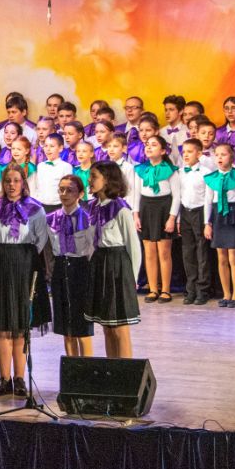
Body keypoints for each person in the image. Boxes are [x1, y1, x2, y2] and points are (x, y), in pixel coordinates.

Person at [0, 166, 51, 396]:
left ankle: (19, 378)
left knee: (20, 324)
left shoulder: (35, 209)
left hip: (24, 264)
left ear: (23, 183)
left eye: (16, 180)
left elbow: (40, 239)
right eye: (8, 180)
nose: (12, 185)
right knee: (1, 323)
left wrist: (22, 256)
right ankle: (4, 378)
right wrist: (1, 253)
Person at [85, 161, 141, 358]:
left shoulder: (120, 209)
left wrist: (132, 278)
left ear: (107, 180)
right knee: (107, 326)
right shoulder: (93, 207)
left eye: (94, 177)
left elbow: (133, 246)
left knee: (119, 327)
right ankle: (111, 368)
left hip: (117, 265)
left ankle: (125, 370)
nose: (90, 180)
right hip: (100, 262)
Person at [47, 175, 96, 357]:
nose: (64, 194)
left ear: (80, 194)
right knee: (65, 326)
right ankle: (71, 364)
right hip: (60, 269)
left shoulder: (88, 218)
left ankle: (86, 366)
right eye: (61, 189)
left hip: (80, 269)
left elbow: (92, 249)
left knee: (82, 326)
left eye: (70, 190)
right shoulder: (51, 219)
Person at [132, 137, 180, 303]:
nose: (149, 147)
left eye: (154, 145)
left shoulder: (170, 170)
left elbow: (176, 196)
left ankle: (165, 289)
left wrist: (172, 218)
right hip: (146, 208)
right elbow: (136, 194)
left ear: (163, 151)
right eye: (147, 145)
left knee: (164, 252)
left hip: (164, 208)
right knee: (149, 251)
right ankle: (153, 289)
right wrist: (136, 215)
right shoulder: (141, 169)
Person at [203, 143, 235, 308]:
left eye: (223, 154)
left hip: (234, 214)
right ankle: (226, 293)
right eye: (217, 155)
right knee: (221, 257)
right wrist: (207, 223)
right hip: (218, 216)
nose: (220, 158)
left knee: (234, 257)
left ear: (232, 156)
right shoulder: (211, 177)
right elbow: (208, 201)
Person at [176, 139, 212, 305]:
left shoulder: (206, 172)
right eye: (184, 152)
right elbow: (179, 196)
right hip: (185, 212)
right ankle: (190, 289)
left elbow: (208, 198)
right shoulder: (180, 172)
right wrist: (178, 219)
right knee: (187, 252)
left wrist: (207, 222)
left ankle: (202, 290)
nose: (186, 155)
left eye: (189, 152)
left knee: (202, 253)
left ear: (199, 154)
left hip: (200, 212)